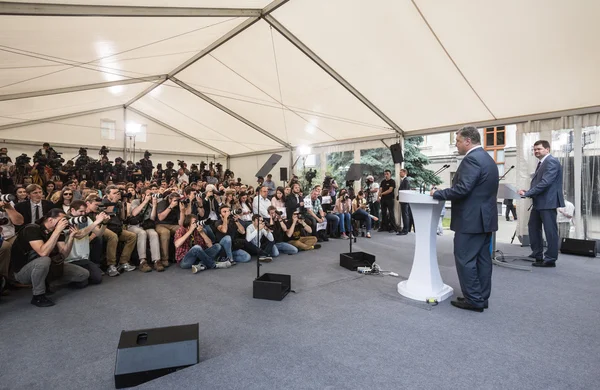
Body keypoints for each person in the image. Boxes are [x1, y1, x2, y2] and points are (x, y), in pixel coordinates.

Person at [431, 126, 499, 312]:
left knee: (465, 259)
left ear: (468, 141)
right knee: (482, 260)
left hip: (471, 220)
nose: (456, 145)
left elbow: (463, 189)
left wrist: (438, 193)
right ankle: (481, 297)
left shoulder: (472, 160)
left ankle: (473, 300)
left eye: (458, 141)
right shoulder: (487, 159)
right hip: (485, 219)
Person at [10, 209, 90, 307]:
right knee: (44, 260)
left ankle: (48, 283)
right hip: (23, 271)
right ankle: (38, 296)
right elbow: (43, 252)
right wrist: (57, 231)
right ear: (50, 220)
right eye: (61, 220)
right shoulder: (32, 229)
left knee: (83, 274)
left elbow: (63, 255)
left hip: (49, 266)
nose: (64, 222)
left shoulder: (56, 232)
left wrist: (71, 237)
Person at [518, 140, 565, 267]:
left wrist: (527, 194)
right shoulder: (542, 163)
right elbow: (541, 184)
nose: (536, 151)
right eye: (534, 149)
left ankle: (550, 259)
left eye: (539, 149)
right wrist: (528, 192)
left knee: (550, 231)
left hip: (548, 202)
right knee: (533, 227)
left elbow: (545, 183)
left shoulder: (551, 161)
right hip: (539, 201)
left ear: (547, 149)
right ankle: (537, 253)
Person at [64, 200, 108, 285]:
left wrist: (104, 223)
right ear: (72, 210)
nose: (83, 214)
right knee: (82, 283)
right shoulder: (67, 221)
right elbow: (79, 235)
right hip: (70, 260)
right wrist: (96, 221)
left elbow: (99, 233)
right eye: (81, 211)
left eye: (84, 211)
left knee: (97, 279)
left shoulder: (86, 219)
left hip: (84, 259)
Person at [101, 186, 137, 276]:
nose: (117, 195)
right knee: (113, 237)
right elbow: (108, 212)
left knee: (132, 236)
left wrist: (123, 204)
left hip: (117, 227)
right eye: (114, 193)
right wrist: (113, 201)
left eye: (118, 193)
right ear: (107, 194)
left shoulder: (118, 203)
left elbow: (123, 218)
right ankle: (111, 265)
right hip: (106, 228)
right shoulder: (104, 201)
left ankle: (123, 262)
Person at [127, 187, 161, 272]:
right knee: (142, 233)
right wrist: (145, 201)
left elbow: (152, 218)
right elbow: (134, 213)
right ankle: (142, 261)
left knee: (154, 234)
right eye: (149, 194)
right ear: (143, 195)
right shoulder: (136, 201)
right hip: (134, 226)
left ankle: (156, 260)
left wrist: (154, 206)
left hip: (145, 225)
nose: (151, 196)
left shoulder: (150, 204)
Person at [155, 191, 186, 267]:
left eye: (178, 200)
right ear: (170, 199)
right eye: (175, 200)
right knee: (165, 233)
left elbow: (180, 224)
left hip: (173, 225)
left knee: (182, 229)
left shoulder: (178, 205)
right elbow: (161, 218)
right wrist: (170, 206)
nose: (177, 202)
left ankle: (181, 255)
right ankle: (165, 259)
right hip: (161, 224)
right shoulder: (163, 203)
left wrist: (182, 211)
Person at [0, 197, 24, 286]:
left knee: (22, 243)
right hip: (2, 239)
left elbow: (19, 222)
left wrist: (8, 207)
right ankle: (3, 281)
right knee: (5, 246)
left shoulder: (6, 201)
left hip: (9, 235)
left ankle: (12, 278)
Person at [397, 169, 411, 235]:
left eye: (401, 172)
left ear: (404, 173)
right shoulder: (403, 180)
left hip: (405, 200)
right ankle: (404, 229)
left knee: (405, 215)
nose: (400, 174)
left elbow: (405, 190)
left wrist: (400, 196)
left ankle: (405, 230)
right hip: (402, 200)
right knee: (404, 215)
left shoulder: (406, 180)